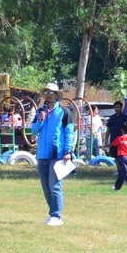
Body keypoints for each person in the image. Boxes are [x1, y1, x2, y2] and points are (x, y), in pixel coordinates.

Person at [31, 82, 74, 225]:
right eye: (46, 92)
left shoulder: (64, 112)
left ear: (57, 95)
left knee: (55, 186)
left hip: (57, 154)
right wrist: (40, 120)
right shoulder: (40, 112)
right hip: (42, 155)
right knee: (46, 188)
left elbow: (69, 133)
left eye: (51, 93)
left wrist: (67, 151)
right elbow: (34, 130)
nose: (48, 95)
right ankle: (52, 214)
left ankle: (57, 216)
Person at [110, 124, 127, 191]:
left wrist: (102, 147)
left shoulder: (120, 138)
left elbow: (112, 144)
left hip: (122, 157)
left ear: (122, 130)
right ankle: (117, 188)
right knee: (121, 173)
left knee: (124, 173)